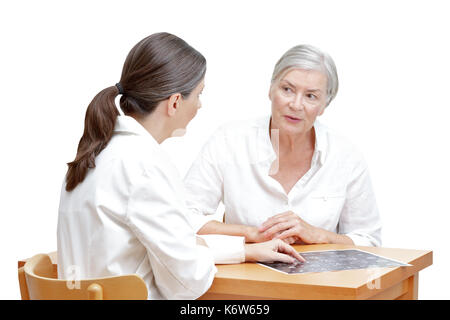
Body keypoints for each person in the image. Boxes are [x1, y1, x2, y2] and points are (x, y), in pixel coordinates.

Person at [57, 32, 303, 300]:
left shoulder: (97, 153)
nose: (199, 105)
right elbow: (186, 282)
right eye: (198, 94)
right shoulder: (144, 166)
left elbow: (172, 248)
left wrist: (244, 251)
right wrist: (200, 251)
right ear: (174, 102)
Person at [184, 44, 382, 247]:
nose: (296, 105)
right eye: (287, 89)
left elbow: (369, 240)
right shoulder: (229, 141)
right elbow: (183, 219)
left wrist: (320, 235)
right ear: (271, 90)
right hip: (245, 275)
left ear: (324, 105)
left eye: (310, 96)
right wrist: (253, 234)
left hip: (320, 278)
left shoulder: (345, 156)